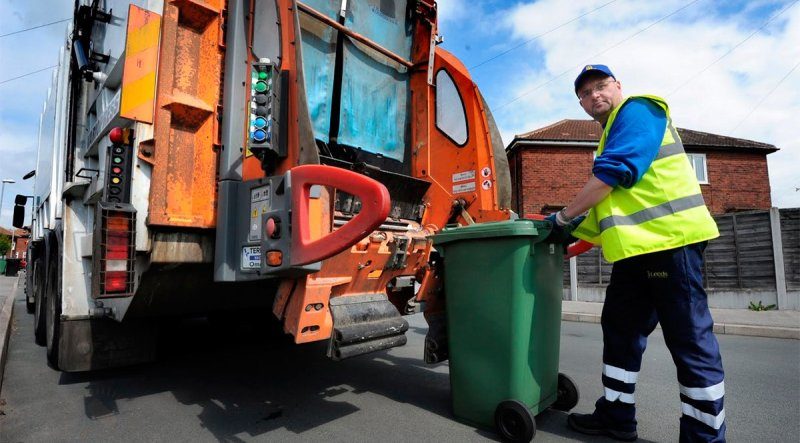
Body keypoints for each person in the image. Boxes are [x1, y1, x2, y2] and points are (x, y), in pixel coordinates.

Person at [546, 65, 726, 442]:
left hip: (672, 245)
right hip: (636, 255)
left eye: (601, 86)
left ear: (618, 87)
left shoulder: (640, 110)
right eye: (585, 93)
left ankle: (704, 437)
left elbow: (616, 173)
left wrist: (562, 218)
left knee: (690, 342)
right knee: (620, 330)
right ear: (580, 103)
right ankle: (616, 415)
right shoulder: (608, 136)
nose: (594, 95)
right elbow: (605, 213)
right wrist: (564, 242)